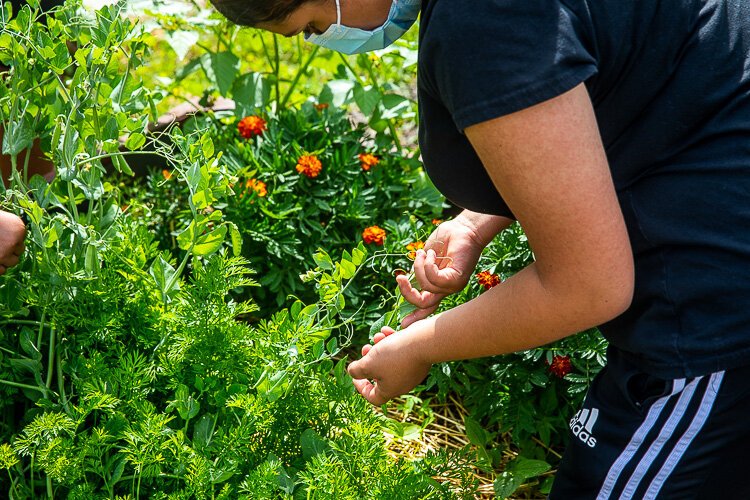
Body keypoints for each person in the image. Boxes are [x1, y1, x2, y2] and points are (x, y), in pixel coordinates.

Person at [208, 0, 750, 497]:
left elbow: (589, 286)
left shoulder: (484, 23)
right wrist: (475, 222)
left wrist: (419, 347)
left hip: (717, 302)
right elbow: (621, 73)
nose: (325, 37)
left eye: (312, 25)